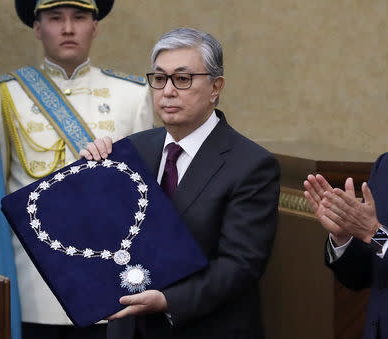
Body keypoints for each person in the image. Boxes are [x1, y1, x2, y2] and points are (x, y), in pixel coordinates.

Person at [81, 27, 280, 339]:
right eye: (159, 79)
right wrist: (90, 178)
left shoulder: (251, 164)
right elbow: (107, 234)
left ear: (216, 87)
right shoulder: (133, 149)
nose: (168, 91)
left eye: (183, 79)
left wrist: (168, 300)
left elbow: (240, 266)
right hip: (127, 327)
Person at [0, 0, 154, 338]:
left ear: (95, 26)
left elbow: (144, 192)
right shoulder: (4, 95)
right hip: (36, 284)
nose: (68, 28)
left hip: (110, 279)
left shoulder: (134, 94)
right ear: (37, 28)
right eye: (55, 18)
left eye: (79, 17)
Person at [304, 153, 388, 339]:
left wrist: (375, 235)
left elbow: (375, 236)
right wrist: (344, 237)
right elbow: (361, 276)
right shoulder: (385, 165)